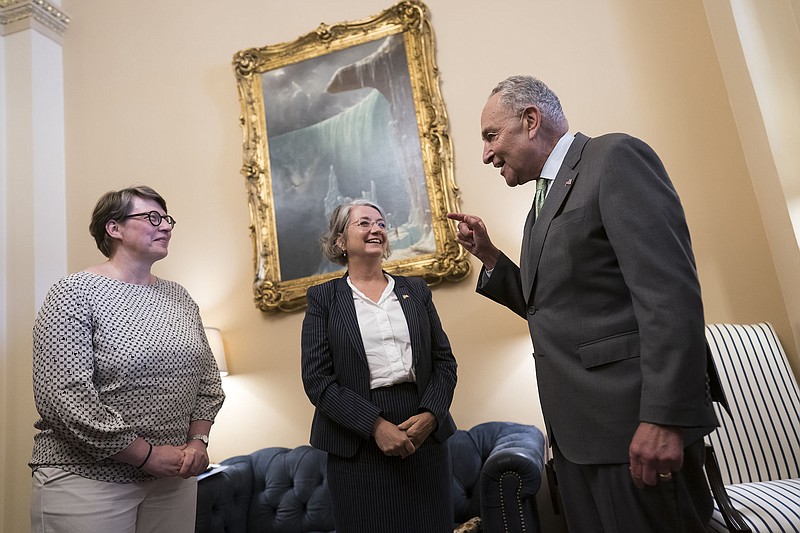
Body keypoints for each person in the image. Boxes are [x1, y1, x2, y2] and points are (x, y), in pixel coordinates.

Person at [448, 76, 722, 533]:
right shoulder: (540, 203)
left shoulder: (613, 158)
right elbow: (551, 308)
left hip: (633, 430)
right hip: (578, 438)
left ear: (530, 121)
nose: (486, 154)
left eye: (490, 136)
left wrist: (664, 419)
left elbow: (669, 297)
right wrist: (492, 258)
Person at [29, 185, 225, 533]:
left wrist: (198, 441)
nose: (165, 226)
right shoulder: (74, 292)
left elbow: (208, 381)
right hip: (87, 479)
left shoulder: (179, 296)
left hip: (173, 480)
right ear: (114, 228)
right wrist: (146, 455)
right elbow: (63, 397)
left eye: (167, 219)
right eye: (152, 217)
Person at [301, 199, 458, 533]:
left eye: (382, 224)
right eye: (364, 223)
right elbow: (317, 381)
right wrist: (376, 426)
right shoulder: (323, 299)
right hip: (356, 442)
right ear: (341, 241)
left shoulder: (416, 290)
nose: (376, 229)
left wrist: (431, 415)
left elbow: (444, 362)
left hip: (423, 434)